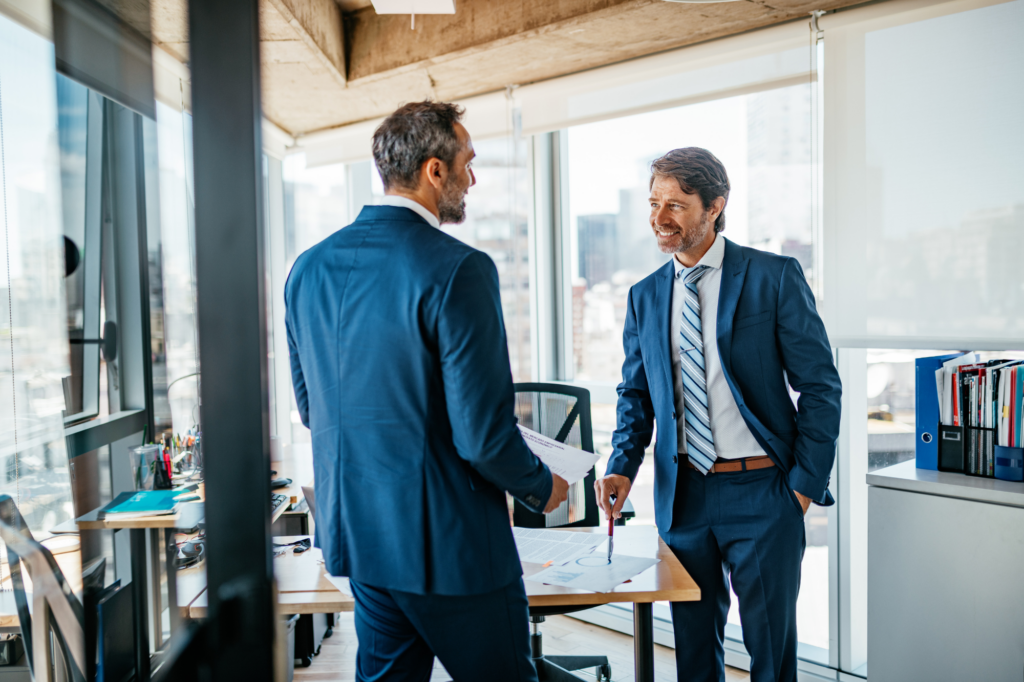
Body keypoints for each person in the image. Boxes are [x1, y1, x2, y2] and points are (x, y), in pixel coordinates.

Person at [285, 101, 569, 682]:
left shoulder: (307, 269)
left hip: (362, 541)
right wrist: (544, 486)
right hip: (450, 549)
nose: (473, 178)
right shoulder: (458, 268)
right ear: (434, 171)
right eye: (467, 162)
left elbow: (315, 410)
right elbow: (483, 438)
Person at [595, 148, 842, 682]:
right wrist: (621, 465)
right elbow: (635, 394)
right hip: (684, 497)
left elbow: (821, 387)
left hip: (763, 493)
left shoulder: (772, 277)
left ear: (714, 207)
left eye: (677, 205)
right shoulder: (643, 296)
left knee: (770, 655)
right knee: (693, 656)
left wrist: (801, 487)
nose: (661, 217)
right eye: (654, 203)